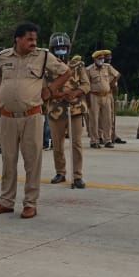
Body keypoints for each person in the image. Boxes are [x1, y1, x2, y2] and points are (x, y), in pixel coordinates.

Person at [0, 22, 72, 219]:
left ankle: (30, 203)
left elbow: (66, 72)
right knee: (8, 160)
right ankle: (6, 201)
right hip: (7, 118)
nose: (33, 43)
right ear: (18, 39)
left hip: (32, 116)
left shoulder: (42, 56)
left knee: (32, 161)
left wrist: (50, 90)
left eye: (35, 39)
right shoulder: (3, 57)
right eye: (29, 39)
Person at [47, 34, 89, 188]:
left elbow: (86, 85)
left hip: (75, 109)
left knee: (76, 144)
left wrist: (75, 93)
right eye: (58, 48)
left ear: (69, 49)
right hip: (56, 110)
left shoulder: (77, 66)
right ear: (53, 50)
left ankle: (77, 175)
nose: (61, 50)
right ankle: (60, 172)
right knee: (57, 144)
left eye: (63, 47)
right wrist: (58, 94)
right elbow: (45, 89)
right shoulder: (48, 67)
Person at [85, 51, 114, 148]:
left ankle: (108, 140)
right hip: (94, 96)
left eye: (103, 58)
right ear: (95, 59)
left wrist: (110, 85)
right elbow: (86, 85)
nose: (102, 60)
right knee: (94, 119)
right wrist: (87, 100)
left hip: (106, 96)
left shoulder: (107, 67)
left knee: (108, 119)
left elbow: (116, 75)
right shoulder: (89, 69)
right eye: (99, 58)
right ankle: (94, 141)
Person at [103, 50, 125, 144]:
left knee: (110, 117)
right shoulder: (99, 68)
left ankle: (112, 135)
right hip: (101, 94)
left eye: (110, 57)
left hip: (110, 94)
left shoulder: (110, 68)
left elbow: (117, 76)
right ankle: (101, 136)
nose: (109, 59)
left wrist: (114, 88)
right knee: (101, 118)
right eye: (107, 57)